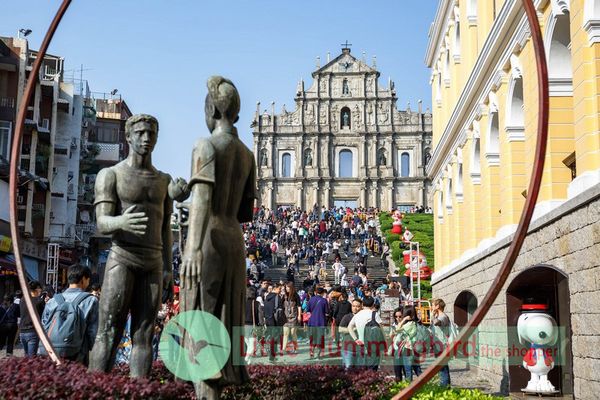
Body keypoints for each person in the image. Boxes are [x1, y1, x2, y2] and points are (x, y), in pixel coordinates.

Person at [89, 114, 179, 377]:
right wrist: (121, 221)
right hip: (123, 257)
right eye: (140, 133)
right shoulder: (110, 175)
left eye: (151, 134)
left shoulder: (164, 180)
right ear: (128, 136)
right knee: (109, 330)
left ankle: (138, 390)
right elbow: (101, 222)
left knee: (144, 334)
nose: (146, 138)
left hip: (153, 262)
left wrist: (168, 267)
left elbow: (165, 227)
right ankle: (95, 389)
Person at [42, 265, 99, 365]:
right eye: (88, 279)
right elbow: (92, 331)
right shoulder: (90, 300)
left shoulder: (53, 301)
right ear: (83, 279)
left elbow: (44, 325)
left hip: (52, 351)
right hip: (78, 353)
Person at [347, 296, 383, 370]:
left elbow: (349, 327)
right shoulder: (375, 314)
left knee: (362, 370)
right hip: (373, 347)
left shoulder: (357, 315)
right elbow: (381, 330)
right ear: (373, 305)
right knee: (372, 370)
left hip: (361, 346)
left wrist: (356, 339)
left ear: (362, 304)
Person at [18, 281, 45, 357]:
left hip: (22, 332)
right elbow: (43, 315)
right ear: (37, 289)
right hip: (32, 331)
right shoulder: (39, 301)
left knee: (26, 357)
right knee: (32, 358)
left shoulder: (22, 300)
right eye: (40, 289)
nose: (40, 290)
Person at [338, 298, 362, 369]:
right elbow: (340, 329)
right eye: (353, 306)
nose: (355, 308)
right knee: (348, 369)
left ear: (361, 307)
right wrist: (352, 329)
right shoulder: (347, 317)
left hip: (360, 348)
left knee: (360, 370)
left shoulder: (363, 317)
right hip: (348, 348)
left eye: (357, 306)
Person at [432, 298, 451, 387]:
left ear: (437, 306)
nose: (432, 307)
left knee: (442, 367)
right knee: (442, 367)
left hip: (442, 345)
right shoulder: (439, 316)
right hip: (438, 345)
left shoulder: (443, 317)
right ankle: (446, 386)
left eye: (433, 305)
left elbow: (437, 323)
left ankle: (444, 387)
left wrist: (432, 316)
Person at [307, 287, 329, 359]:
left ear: (316, 292)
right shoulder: (324, 300)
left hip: (312, 322)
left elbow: (308, 310)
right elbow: (327, 312)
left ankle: (311, 353)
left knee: (312, 338)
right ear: (323, 293)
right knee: (320, 338)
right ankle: (318, 355)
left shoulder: (311, 299)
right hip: (321, 322)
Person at [281, 282, 302, 355]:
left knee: (293, 333)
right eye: (286, 287)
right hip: (286, 317)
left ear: (291, 287)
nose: (286, 289)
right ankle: (283, 349)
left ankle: (295, 348)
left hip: (294, 316)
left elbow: (299, 306)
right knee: (285, 334)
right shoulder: (284, 296)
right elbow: (281, 305)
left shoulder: (296, 295)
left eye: (288, 287)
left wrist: (299, 315)